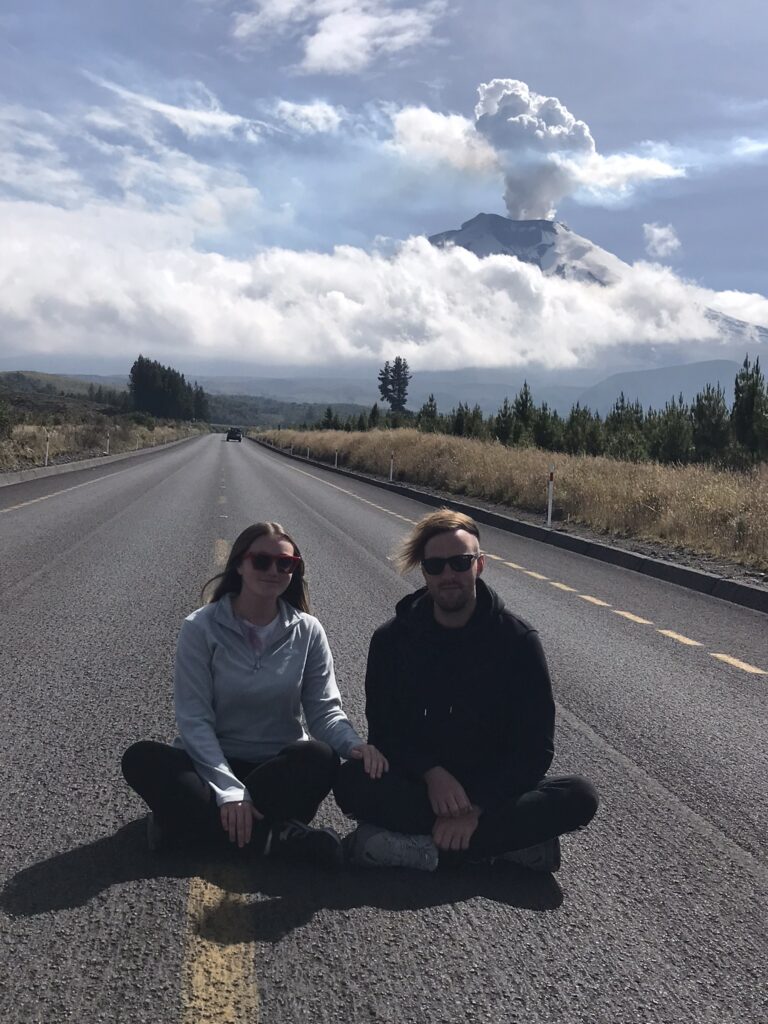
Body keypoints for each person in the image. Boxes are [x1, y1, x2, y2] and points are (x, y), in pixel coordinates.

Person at [334, 509, 598, 872]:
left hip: (493, 789)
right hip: (421, 786)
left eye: (460, 563)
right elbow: (385, 732)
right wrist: (432, 774)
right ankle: (506, 849)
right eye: (435, 566)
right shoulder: (391, 641)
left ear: (480, 565)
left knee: (579, 796)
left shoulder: (517, 641)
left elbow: (536, 748)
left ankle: (416, 848)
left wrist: (475, 807)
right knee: (352, 781)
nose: (449, 576)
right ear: (423, 571)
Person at [122, 521, 387, 864]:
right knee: (140, 758)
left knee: (320, 758)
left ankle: (185, 826)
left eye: (285, 563)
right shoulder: (200, 627)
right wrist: (229, 790)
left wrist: (353, 745)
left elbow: (323, 710)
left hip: (276, 769)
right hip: (208, 765)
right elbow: (194, 719)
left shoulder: (307, 630)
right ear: (239, 565)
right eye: (261, 561)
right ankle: (274, 837)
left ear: (294, 570)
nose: (273, 570)